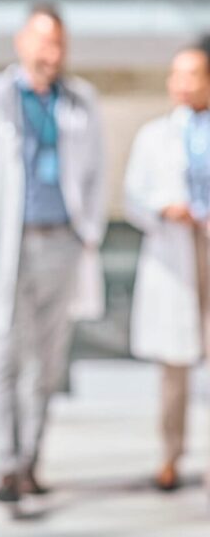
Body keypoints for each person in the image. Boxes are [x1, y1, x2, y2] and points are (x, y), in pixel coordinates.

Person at [0, 5, 106, 503]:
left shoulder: (81, 101)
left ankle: (32, 461)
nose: (47, 53)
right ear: (20, 43)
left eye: (56, 44)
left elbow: (96, 171)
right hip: (1, 246)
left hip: (61, 243)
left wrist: (86, 233)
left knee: (48, 361)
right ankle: (6, 464)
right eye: (40, 41)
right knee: (3, 357)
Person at [124, 45, 210, 493]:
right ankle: (171, 456)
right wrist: (164, 208)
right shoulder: (154, 135)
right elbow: (133, 199)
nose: (183, 83)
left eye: (193, 74)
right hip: (176, 249)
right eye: (177, 74)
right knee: (174, 370)